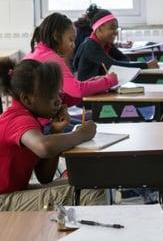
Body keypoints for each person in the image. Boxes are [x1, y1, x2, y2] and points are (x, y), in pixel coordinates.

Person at [0, 58, 105, 211]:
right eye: (50, 95)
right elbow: (44, 147)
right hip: (4, 200)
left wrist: (56, 130)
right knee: (91, 190)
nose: (57, 100)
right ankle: (90, 234)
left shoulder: (30, 119)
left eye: (57, 93)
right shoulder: (18, 119)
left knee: (88, 181)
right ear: (26, 99)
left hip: (12, 194)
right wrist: (81, 134)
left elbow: (45, 177)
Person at [25, 12, 118, 107]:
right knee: (94, 119)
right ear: (56, 36)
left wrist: (93, 83)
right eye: (70, 40)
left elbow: (67, 94)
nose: (73, 45)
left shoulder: (36, 52)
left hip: (41, 115)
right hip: (43, 120)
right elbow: (78, 90)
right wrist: (109, 81)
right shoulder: (52, 59)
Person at [73, 4, 159, 81]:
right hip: (88, 95)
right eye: (112, 28)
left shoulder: (106, 43)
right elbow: (114, 66)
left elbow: (124, 59)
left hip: (100, 89)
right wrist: (146, 65)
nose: (116, 32)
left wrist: (116, 66)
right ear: (99, 29)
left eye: (116, 28)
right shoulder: (91, 45)